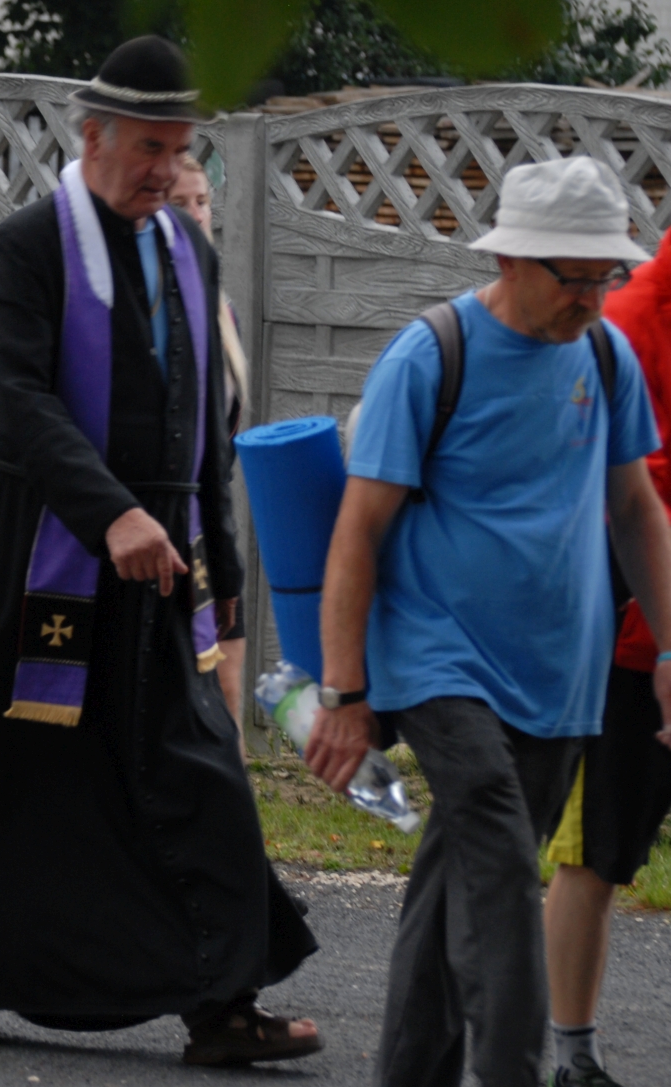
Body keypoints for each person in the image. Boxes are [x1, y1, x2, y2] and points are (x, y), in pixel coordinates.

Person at [0, 36, 319, 1063]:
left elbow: (203, 432)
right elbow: (18, 401)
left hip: (160, 557)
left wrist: (224, 585)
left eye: (178, 149)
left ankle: (221, 1000)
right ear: (93, 135)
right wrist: (110, 513)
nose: (165, 169)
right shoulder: (26, 246)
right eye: (149, 146)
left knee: (196, 768)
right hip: (33, 547)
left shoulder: (188, 250)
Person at [308, 155, 671, 1087]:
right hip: (438, 661)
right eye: (572, 276)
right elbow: (357, 533)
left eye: (604, 276)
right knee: (503, 862)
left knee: (452, 888)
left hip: (562, 674)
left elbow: (636, 510)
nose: (591, 296)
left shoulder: (605, 356)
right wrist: (344, 693)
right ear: (510, 259)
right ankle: (513, 1069)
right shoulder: (431, 355)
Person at [539, 219, 671, 1087]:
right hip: (629, 640)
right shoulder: (628, 324)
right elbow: (630, 502)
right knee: (597, 846)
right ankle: (572, 1053)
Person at [168, 155, 250, 743]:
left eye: (203, 202)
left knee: (228, 689)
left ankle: (232, 794)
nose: (197, 215)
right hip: (156, 530)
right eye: (180, 203)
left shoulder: (223, 312)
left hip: (209, 525)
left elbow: (221, 447)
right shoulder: (140, 311)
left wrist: (226, 560)